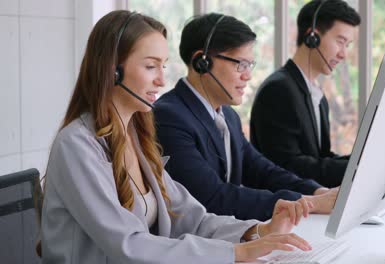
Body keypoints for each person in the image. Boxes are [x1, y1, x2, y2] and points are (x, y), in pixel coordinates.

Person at [40, 10, 314, 263]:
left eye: (163, 66)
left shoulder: (135, 137)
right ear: (113, 70)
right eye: (151, 66)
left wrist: (256, 231)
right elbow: (127, 245)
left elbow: (190, 217)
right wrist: (235, 253)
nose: (161, 79)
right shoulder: (77, 145)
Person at [153, 13, 338, 222]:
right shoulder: (169, 117)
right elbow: (211, 197)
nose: (247, 75)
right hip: (195, 246)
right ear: (201, 62)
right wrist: (303, 203)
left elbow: (261, 170)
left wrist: (318, 192)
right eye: (240, 64)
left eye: (250, 65)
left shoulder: (228, 116)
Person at [250, 0, 361, 188]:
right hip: (286, 209)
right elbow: (288, 166)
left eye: (347, 45)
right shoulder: (278, 90)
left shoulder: (316, 94)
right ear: (312, 37)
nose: (343, 54)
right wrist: (358, 168)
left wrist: (362, 162)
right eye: (340, 42)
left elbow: (320, 159)